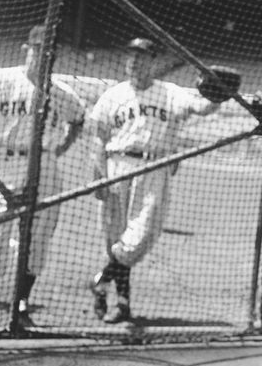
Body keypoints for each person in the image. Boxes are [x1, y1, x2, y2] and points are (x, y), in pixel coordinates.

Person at [87, 37, 222, 323]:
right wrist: (98, 176)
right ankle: (122, 304)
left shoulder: (170, 93)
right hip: (117, 166)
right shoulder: (113, 95)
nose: (134, 62)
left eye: (142, 57)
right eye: (131, 56)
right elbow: (98, 139)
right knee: (116, 238)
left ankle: (100, 279)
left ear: (153, 62)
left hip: (153, 167)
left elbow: (202, 108)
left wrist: (218, 94)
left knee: (142, 235)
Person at [0, 24, 85, 327]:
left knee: (37, 238)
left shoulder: (62, 94)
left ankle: (20, 305)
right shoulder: (0, 80)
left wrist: (58, 149)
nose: (43, 55)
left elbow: (78, 120)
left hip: (44, 166)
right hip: (4, 163)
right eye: (38, 49)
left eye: (49, 51)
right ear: (26, 49)